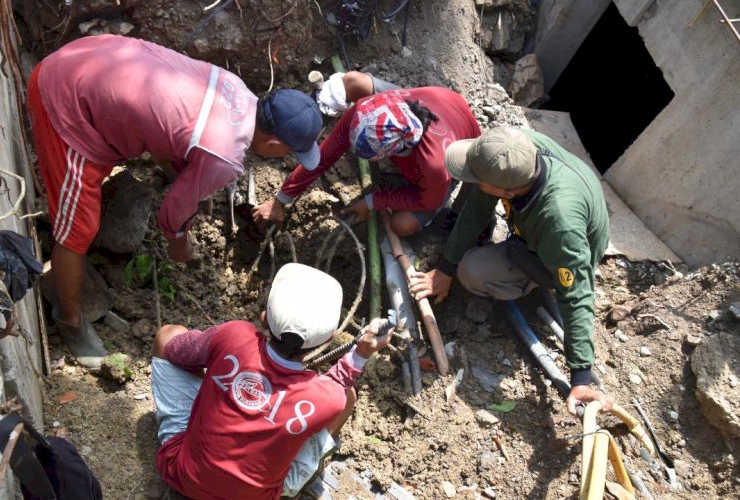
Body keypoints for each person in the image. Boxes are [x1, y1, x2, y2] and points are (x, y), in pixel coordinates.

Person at [26, 34, 323, 370]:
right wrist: (178, 246)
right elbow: (172, 215)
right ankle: (70, 319)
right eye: (290, 151)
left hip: (88, 55)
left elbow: (176, 129)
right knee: (78, 230)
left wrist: (193, 180)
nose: (286, 158)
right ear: (272, 142)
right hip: (65, 100)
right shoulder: (224, 156)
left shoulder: (236, 88)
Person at [409, 126, 612, 415]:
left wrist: (580, 376)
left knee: (473, 271)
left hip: (559, 254)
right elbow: (477, 207)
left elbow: (577, 293)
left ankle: (524, 285)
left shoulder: (559, 224)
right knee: (475, 185)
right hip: (547, 225)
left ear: (509, 190)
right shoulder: (514, 149)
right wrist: (444, 268)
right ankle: (489, 244)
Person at [150, 263, 393, 499]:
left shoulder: (234, 336)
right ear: (330, 339)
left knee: (167, 336)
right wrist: (360, 354)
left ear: (264, 318)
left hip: (184, 476)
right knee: (347, 398)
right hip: (256, 496)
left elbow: (176, 351)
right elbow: (341, 382)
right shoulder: (325, 398)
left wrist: (224, 383)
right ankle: (301, 478)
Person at [253, 71, 481, 236]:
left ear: (391, 153)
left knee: (401, 225)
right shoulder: (366, 110)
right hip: (430, 103)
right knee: (354, 82)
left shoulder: (435, 165)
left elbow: (426, 199)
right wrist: (281, 198)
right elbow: (324, 156)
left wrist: (372, 202)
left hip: (459, 145)